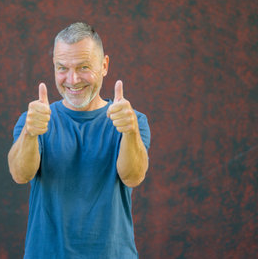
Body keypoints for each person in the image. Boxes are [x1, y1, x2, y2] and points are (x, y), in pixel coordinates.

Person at [8, 22, 151, 258]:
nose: (72, 80)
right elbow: (20, 174)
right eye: (62, 68)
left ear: (104, 65)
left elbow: (133, 176)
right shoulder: (35, 119)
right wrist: (30, 133)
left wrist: (130, 132)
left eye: (84, 67)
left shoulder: (130, 121)